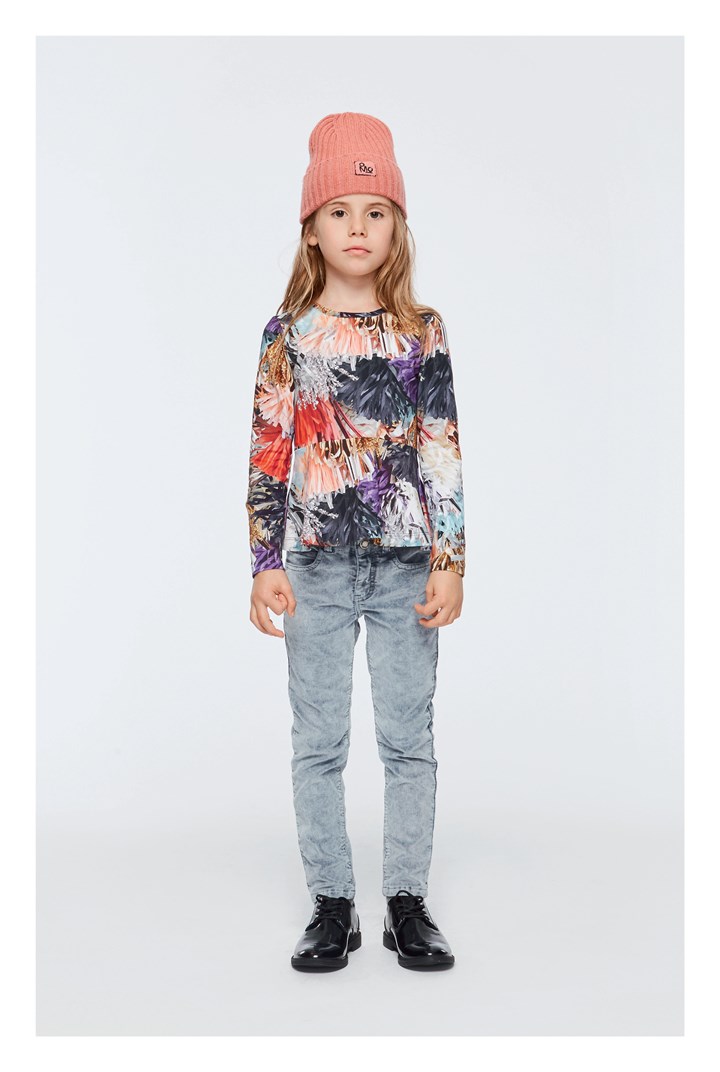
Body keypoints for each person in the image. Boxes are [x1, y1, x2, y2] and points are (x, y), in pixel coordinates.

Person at [245, 112, 465, 973]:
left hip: (406, 564)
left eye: (376, 212)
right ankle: (331, 904)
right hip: (316, 565)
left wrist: (450, 558)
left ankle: (407, 902)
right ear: (312, 228)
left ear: (397, 227)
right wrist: (265, 560)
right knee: (319, 743)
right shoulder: (288, 335)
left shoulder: (422, 331)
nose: (358, 228)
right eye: (340, 211)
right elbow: (270, 447)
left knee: (409, 739)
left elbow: (441, 445)